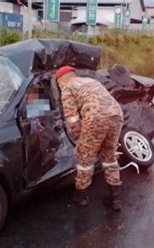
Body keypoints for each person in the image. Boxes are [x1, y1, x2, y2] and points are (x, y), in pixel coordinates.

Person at [56, 65, 124, 212]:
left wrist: (80, 141)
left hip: (96, 118)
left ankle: (81, 197)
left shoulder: (67, 87)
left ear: (61, 80)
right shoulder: (90, 80)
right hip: (116, 115)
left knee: (85, 160)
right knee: (109, 157)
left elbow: (72, 118)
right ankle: (115, 199)